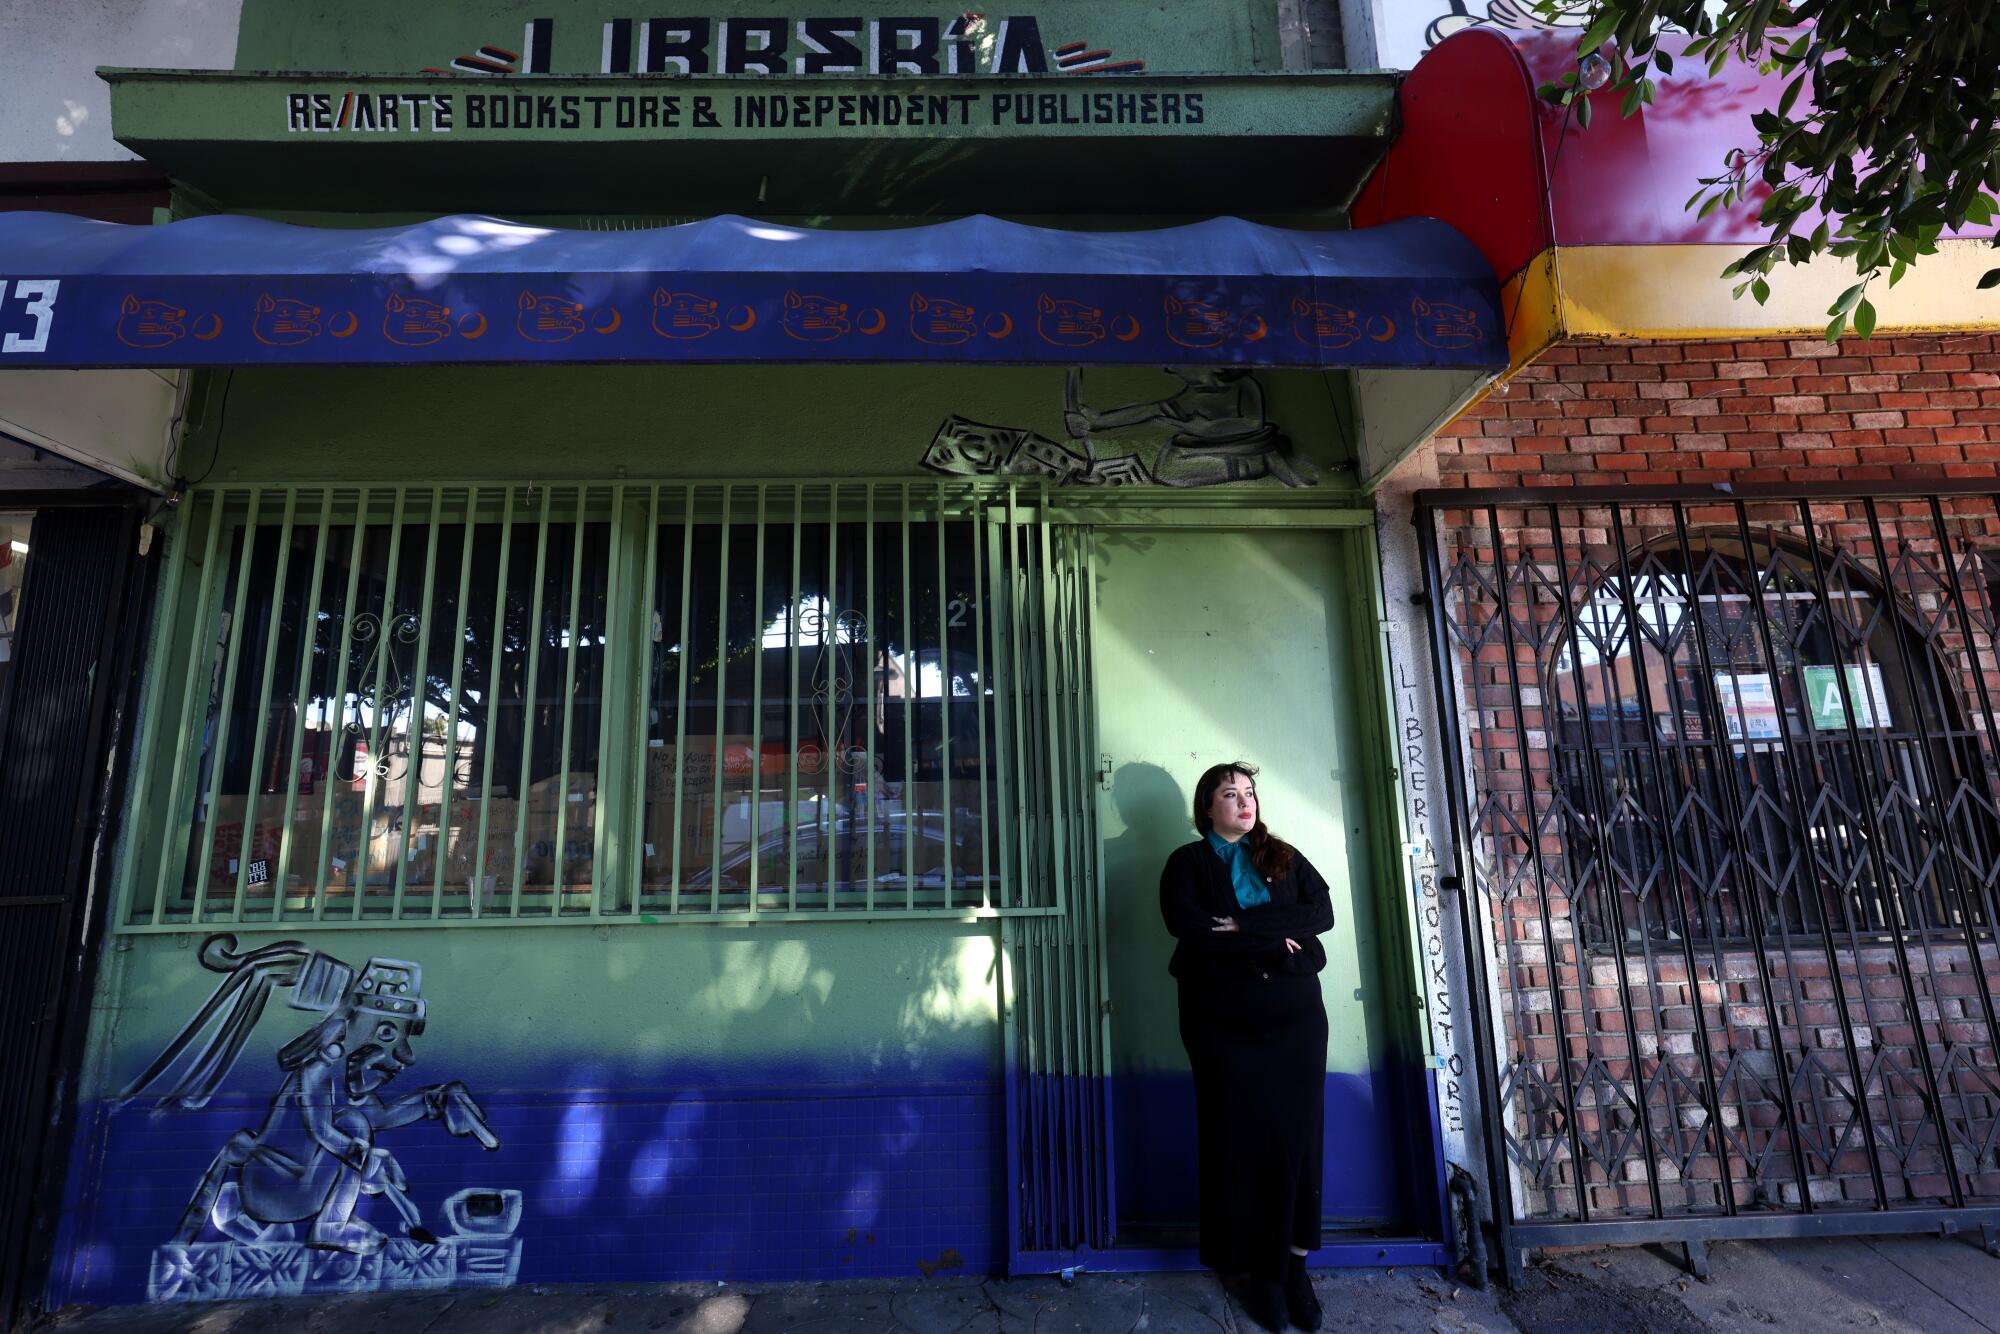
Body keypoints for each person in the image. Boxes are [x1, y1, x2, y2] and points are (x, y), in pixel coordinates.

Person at [1159, 762, 1335, 1332]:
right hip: (1223, 1028)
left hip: (1297, 1024)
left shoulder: (1279, 855)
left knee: (1300, 1140)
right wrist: (1271, 936)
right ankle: (1260, 1272)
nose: (1243, 802)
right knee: (1240, 1141)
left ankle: (1295, 1267)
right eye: (1229, 794)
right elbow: (1187, 927)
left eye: (1250, 792)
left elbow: (1322, 912)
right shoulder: (1185, 864)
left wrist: (1242, 926)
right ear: (1206, 808)